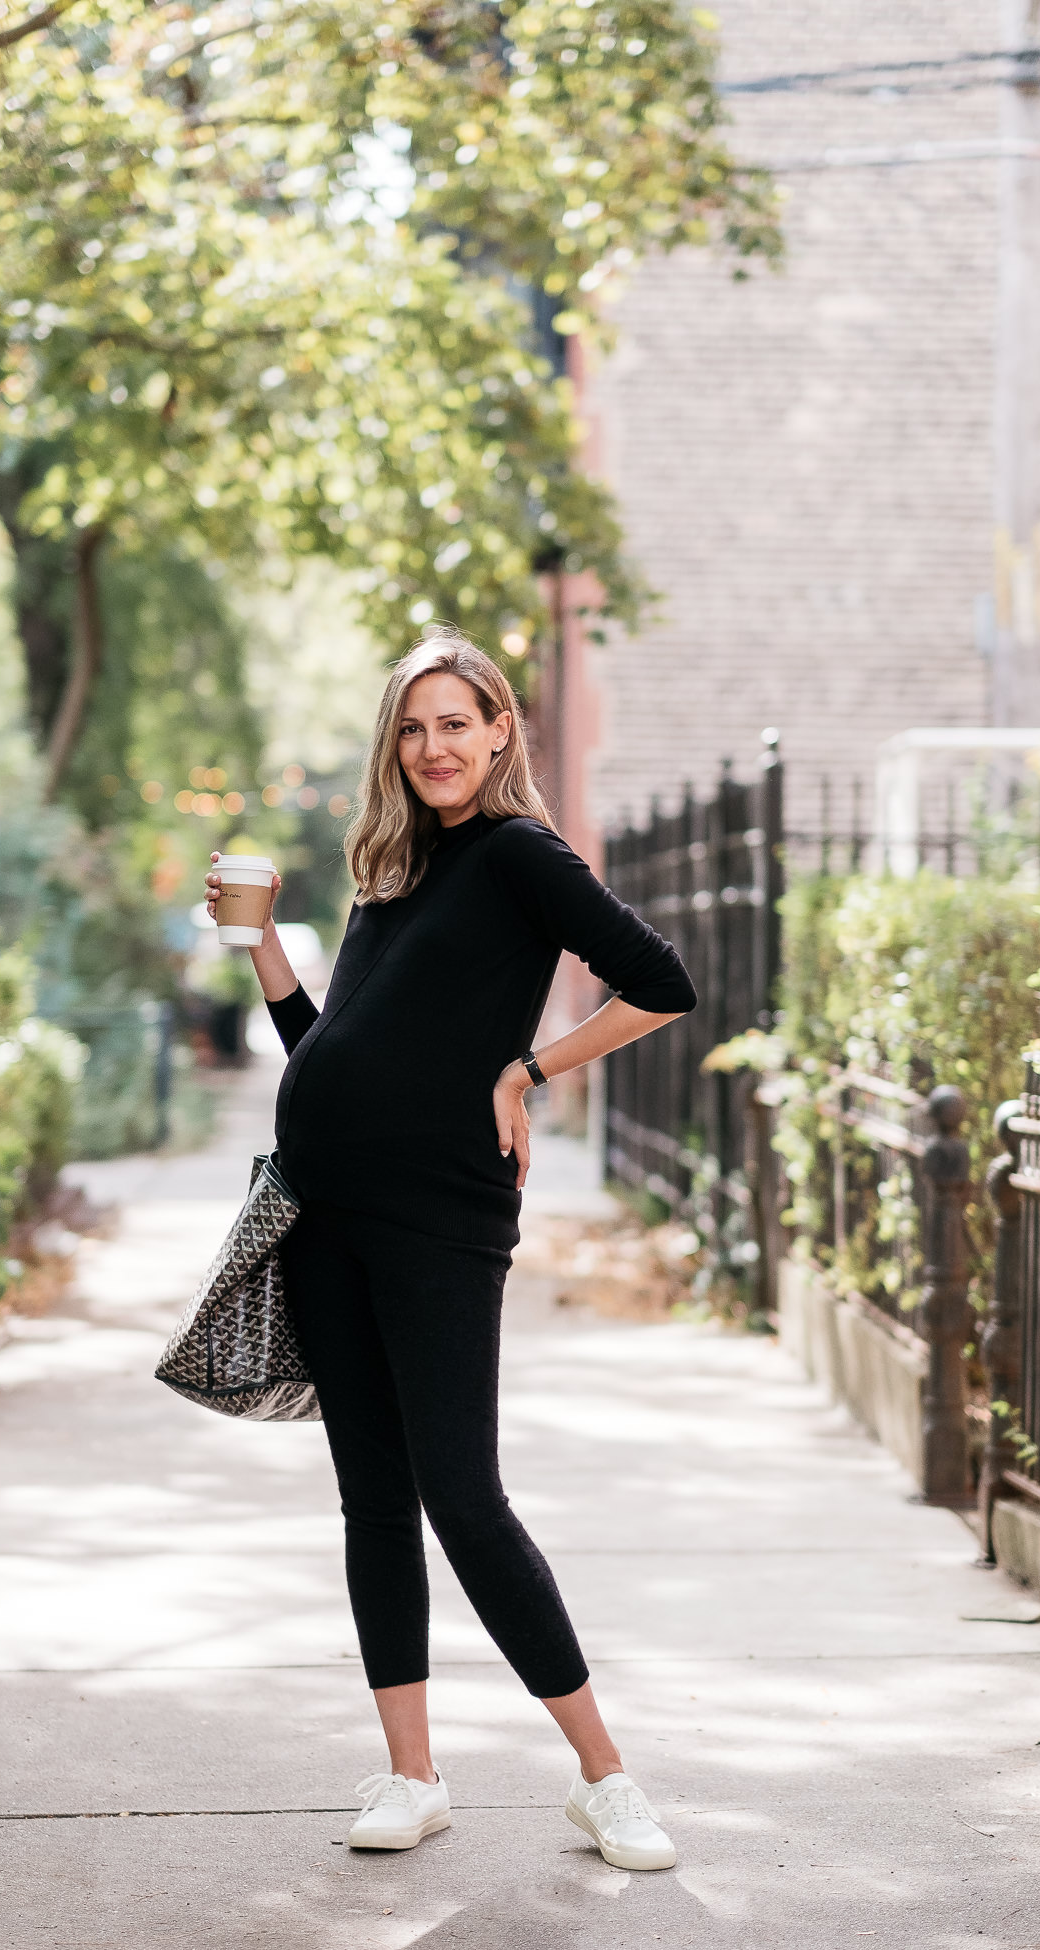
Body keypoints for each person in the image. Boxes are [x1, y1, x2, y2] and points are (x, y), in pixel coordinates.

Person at [204, 626, 696, 1871]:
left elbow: (661, 982)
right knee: (373, 1500)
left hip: (438, 1222)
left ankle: (606, 1779)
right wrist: (265, 942)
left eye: (454, 725)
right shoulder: (390, 871)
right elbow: (326, 1046)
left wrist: (530, 1068)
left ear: (497, 733)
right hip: (321, 1215)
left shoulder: (521, 857)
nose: (433, 748)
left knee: (465, 1502)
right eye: (412, 728)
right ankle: (410, 1775)